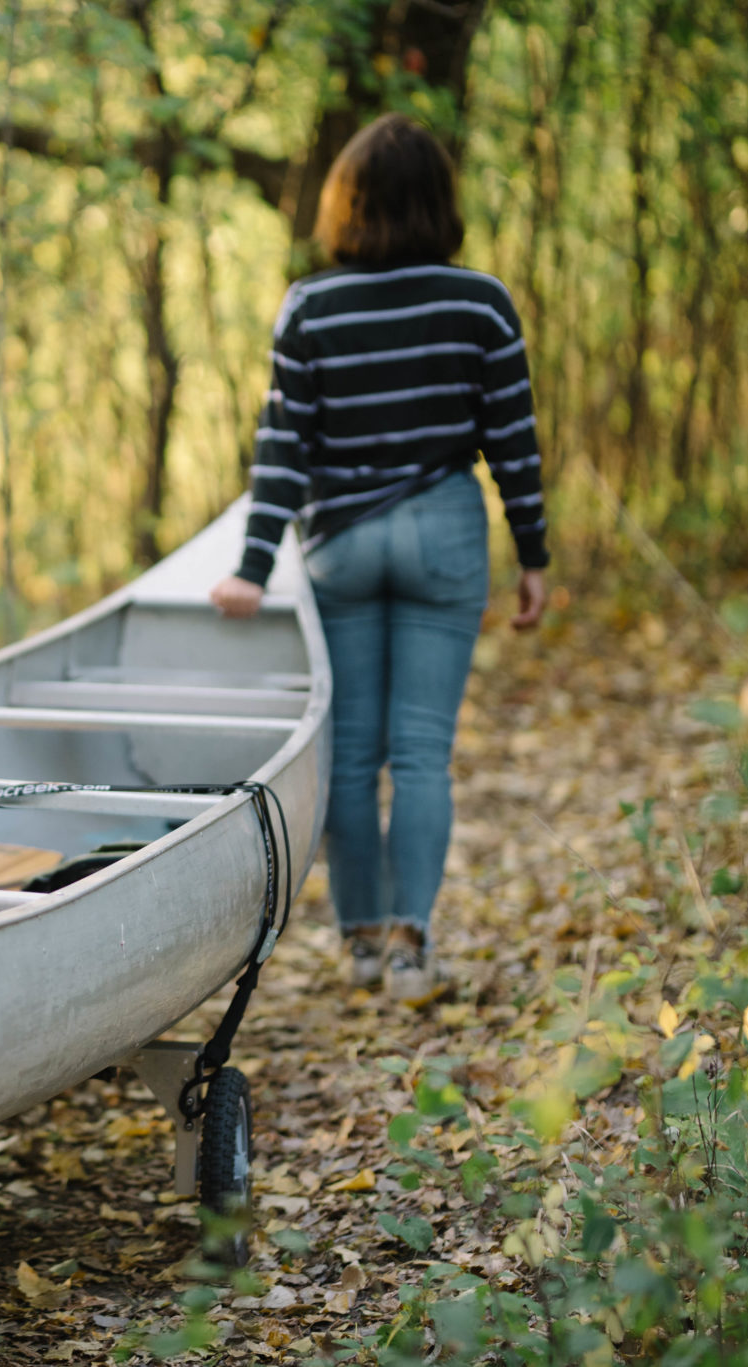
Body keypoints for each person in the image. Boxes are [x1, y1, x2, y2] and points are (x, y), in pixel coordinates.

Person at [210, 113, 549, 1003]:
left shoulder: (309, 306)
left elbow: (282, 444)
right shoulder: (481, 302)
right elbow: (512, 440)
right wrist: (534, 555)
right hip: (443, 526)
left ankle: (358, 944)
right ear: (440, 200)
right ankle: (411, 952)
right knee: (424, 753)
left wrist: (252, 566)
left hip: (345, 544)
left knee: (352, 757)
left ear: (345, 204)